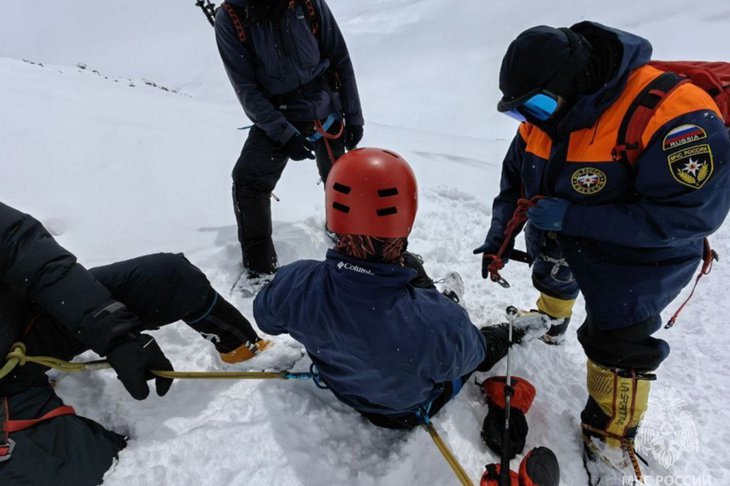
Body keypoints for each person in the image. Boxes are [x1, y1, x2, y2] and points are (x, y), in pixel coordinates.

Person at [474, 22, 730, 483]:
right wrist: (499, 237)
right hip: (563, 228)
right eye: (519, 113)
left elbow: (688, 218)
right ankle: (552, 317)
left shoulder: (675, 117)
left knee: (620, 343)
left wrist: (573, 218)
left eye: (537, 106)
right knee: (552, 272)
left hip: (643, 253)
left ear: (575, 83)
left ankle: (611, 436)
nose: (531, 121)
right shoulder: (544, 113)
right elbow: (515, 180)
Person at [253, 148, 549, 428]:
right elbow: (472, 357)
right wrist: (441, 314)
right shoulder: (441, 323)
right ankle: (512, 330)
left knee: (408, 271)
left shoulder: (297, 283)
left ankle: (437, 295)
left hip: (340, 384)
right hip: (403, 413)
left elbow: (265, 317)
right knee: (479, 342)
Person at [0, 202, 269, 486]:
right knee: (77, 470)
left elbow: (43, 265)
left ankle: (247, 352)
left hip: (26, 333)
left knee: (171, 277)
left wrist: (116, 334)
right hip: (10, 387)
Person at [215, 0, 364, 280]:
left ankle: (346, 235)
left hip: (324, 106)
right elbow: (246, 89)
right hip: (278, 114)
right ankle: (260, 269)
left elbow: (339, 56)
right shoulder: (231, 17)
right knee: (249, 181)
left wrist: (354, 114)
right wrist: (283, 134)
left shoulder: (306, 3)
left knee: (339, 177)